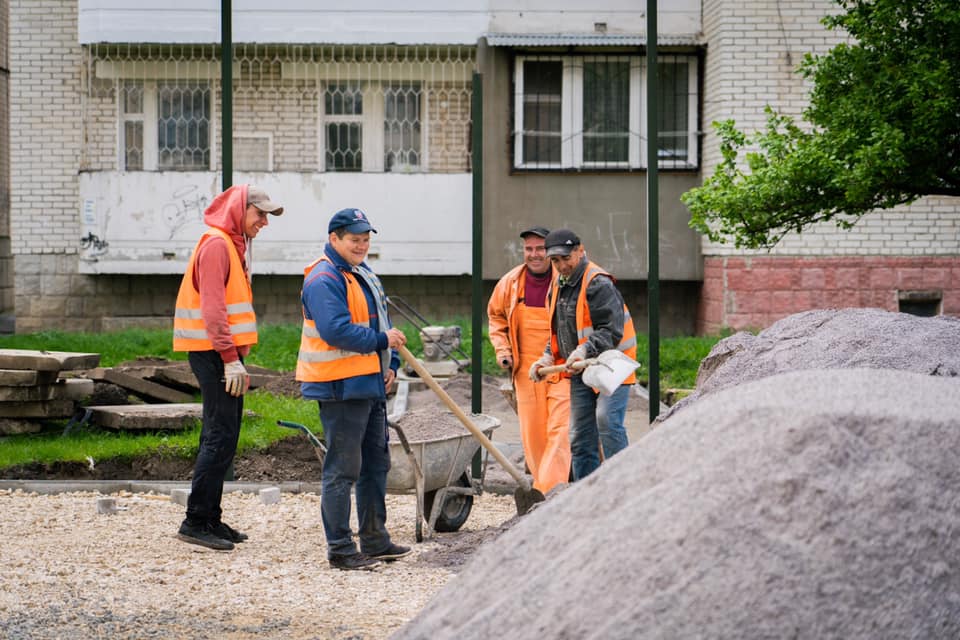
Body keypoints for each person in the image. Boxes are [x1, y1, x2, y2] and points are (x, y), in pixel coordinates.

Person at [296, 207, 411, 571]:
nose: (361, 246)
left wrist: (390, 364)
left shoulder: (361, 273)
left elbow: (382, 320)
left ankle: (375, 540)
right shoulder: (324, 278)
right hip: (340, 388)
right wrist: (382, 341)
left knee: (375, 464)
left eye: (365, 240)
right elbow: (335, 330)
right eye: (354, 240)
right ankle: (341, 549)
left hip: (368, 383)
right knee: (342, 469)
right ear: (334, 239)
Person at [172, 184, 283, 550]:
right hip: (214, 353)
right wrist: (230, 358)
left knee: (225, 432)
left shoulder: (230, 245)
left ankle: (210, 518)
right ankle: (195, 521)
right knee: (219, 434)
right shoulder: (218, 245)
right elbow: (213, 308)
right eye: (260, 214)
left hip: (221, 352)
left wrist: (233, 355)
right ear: (239, 210)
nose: (264, 222)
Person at [528, 229, 638, 481]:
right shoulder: (558, 284)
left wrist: (583, 350)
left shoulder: (597, 283)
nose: (562, 265)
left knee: (607, 421)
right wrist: (547, 357)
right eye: (556, 261)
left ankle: (624, 485)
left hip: (612, 365)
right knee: (580, 435)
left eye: (566, 258)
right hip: (582, 367)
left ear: (580, 250)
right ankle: (585, 492)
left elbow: (611, 330)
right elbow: (560, 330)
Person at [488, 227, 571, 494]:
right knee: (534, 437)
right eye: (529, 249)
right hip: (526, 372)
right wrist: (503, 351)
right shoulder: (510, 283)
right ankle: (543, 488)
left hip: (562, 369)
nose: (534, 254)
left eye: (540, 249)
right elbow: (496, 318)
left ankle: (550, 492)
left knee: (559, 430)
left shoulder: (566, 279)